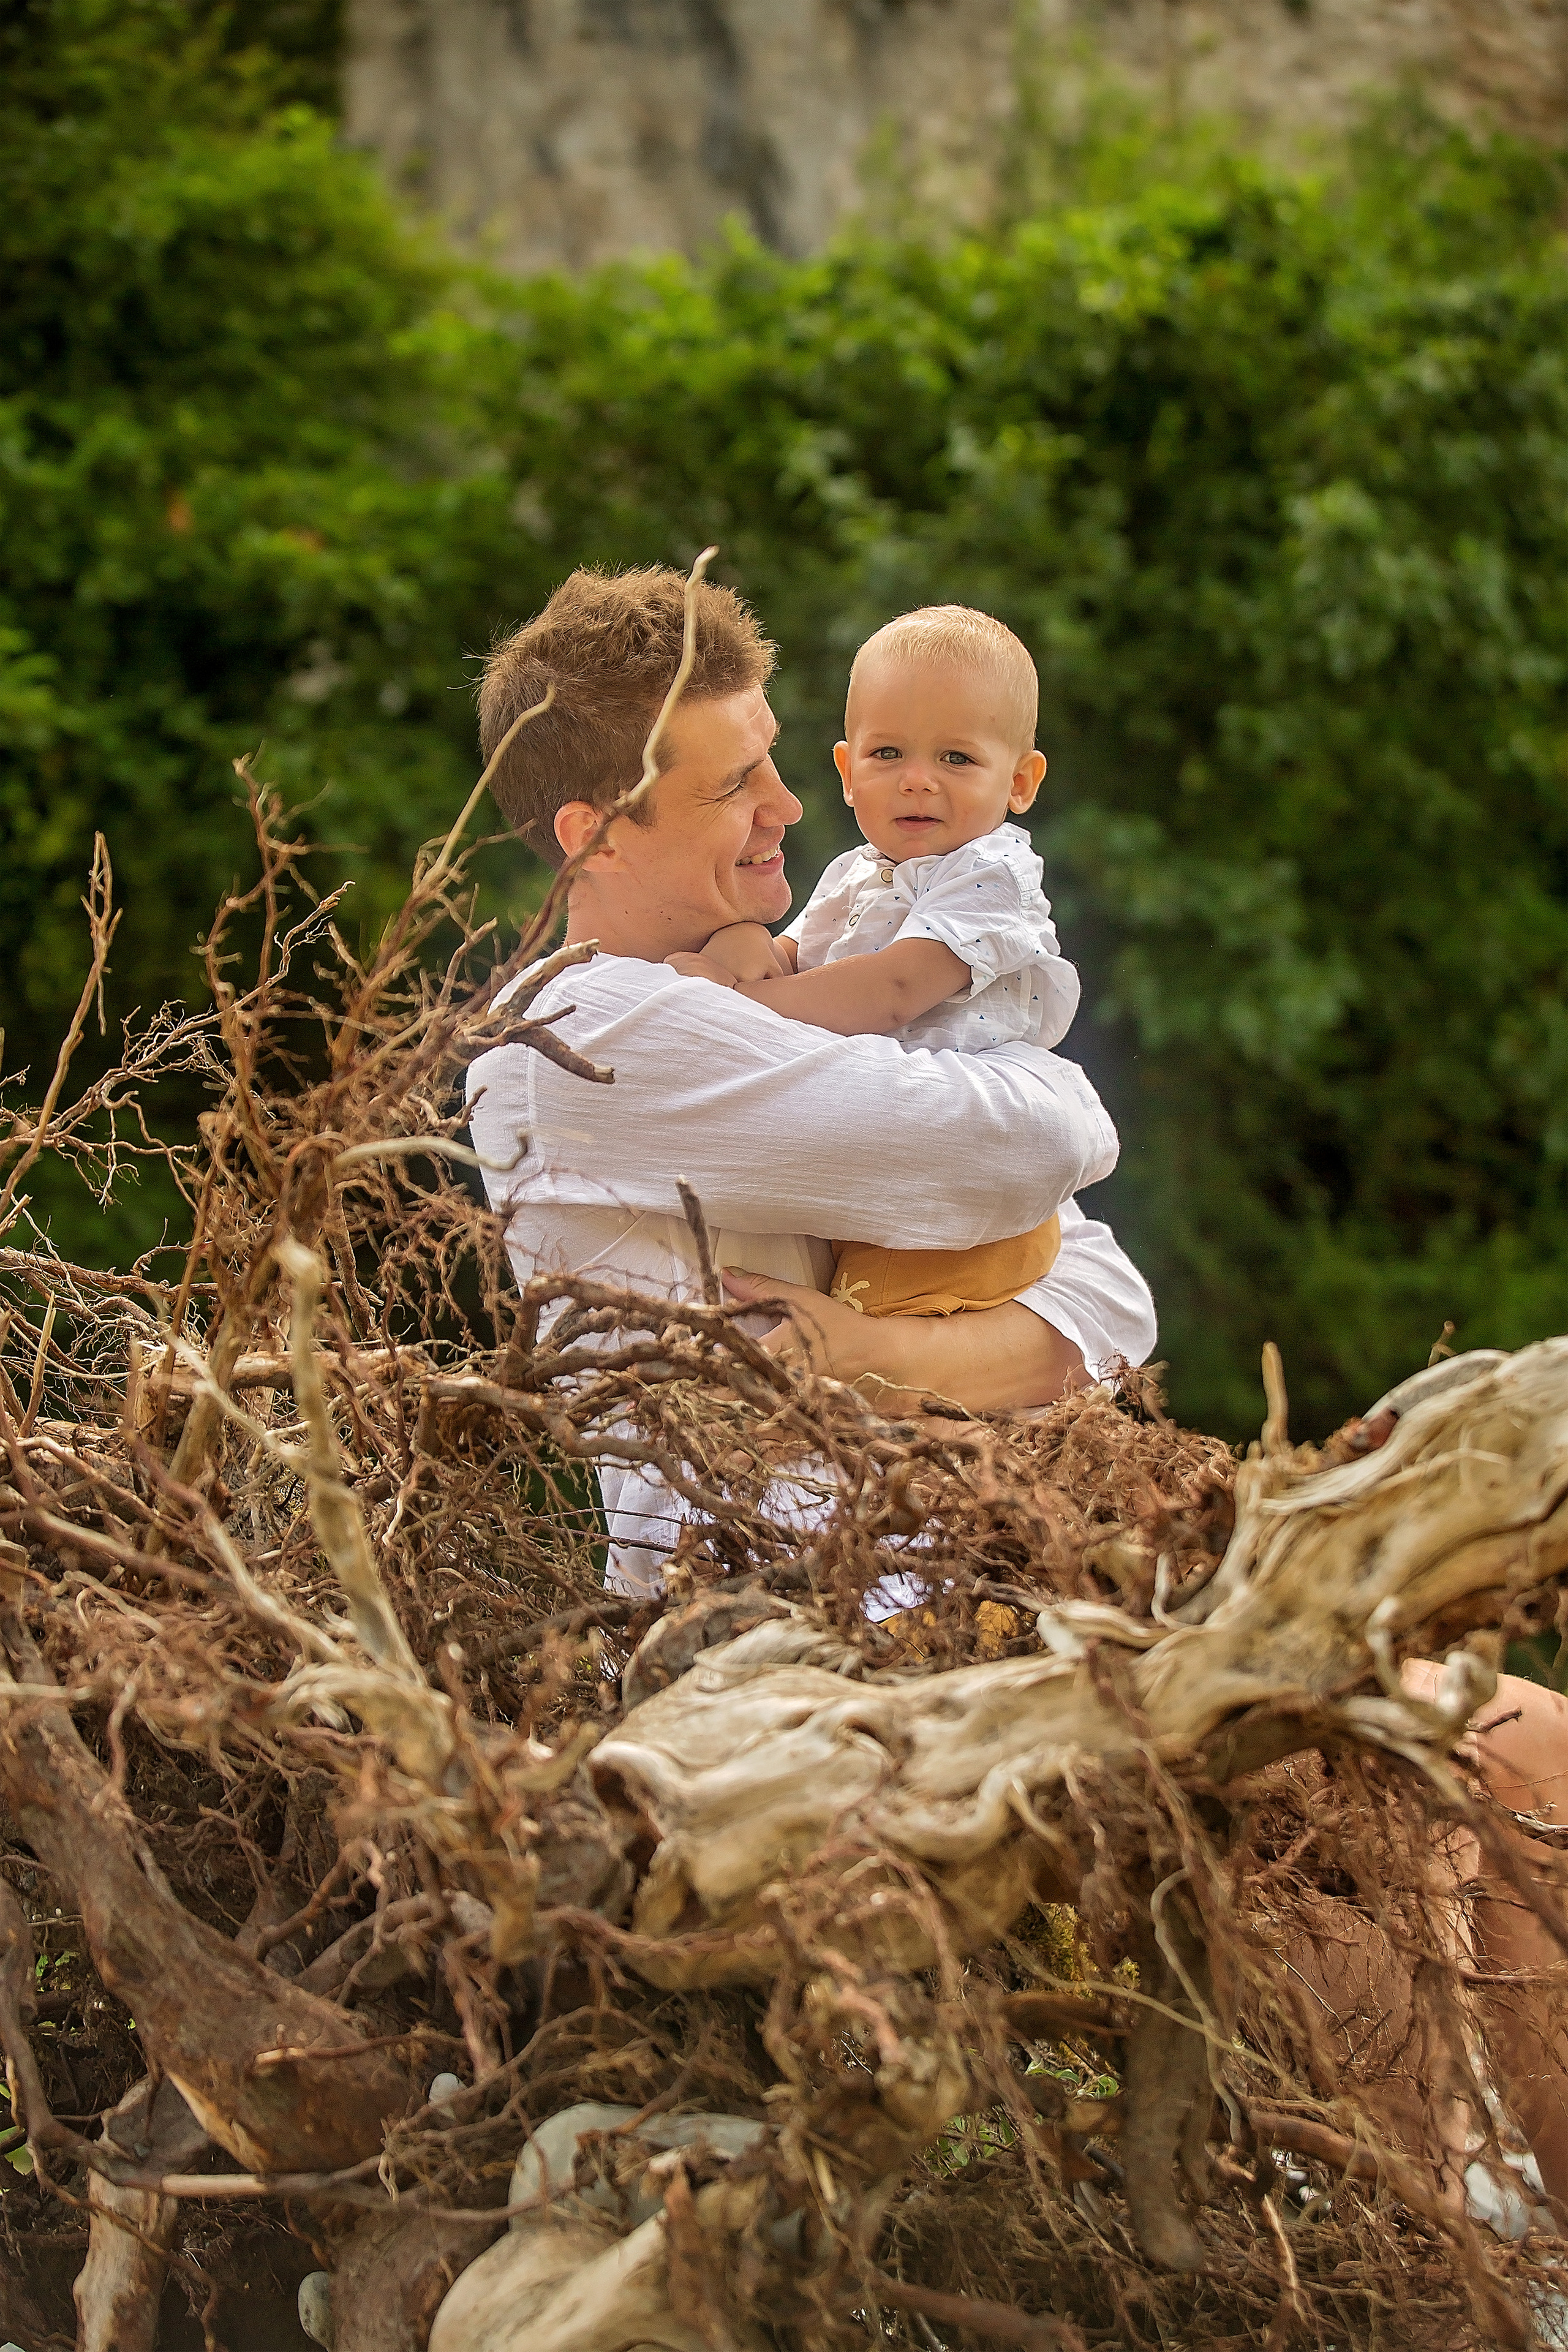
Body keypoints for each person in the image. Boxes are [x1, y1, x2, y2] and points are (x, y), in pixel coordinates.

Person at [464, 563, 1155, 1596]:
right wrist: (1044, 1101)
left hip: (985, 1587)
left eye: (774, 764)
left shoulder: (776, 974)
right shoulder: (572, 1034)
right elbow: (1048, 1146)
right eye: (734, 784)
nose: (789, 806)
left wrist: (874, 1356)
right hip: (791, 1629)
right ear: (594, 835)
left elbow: (1111, 1302)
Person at [660, 603, 1082, 1348]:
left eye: (956, 759)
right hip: (899, 1186)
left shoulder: (991, 876)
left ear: (1019, 782)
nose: (917, 782)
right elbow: (803, 961)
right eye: (888, 755)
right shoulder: (856, 874)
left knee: (881, 1371)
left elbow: (892, 991)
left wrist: (742, 1006)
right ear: (848, 772)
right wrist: (741, 945)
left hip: (963, 1210)